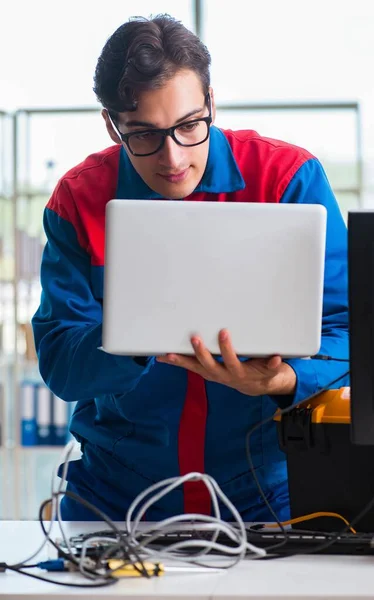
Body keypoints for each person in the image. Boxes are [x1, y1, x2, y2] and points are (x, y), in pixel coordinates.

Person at [32, 14, 349, 521]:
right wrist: (133, 339)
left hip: (267, 493)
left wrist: (283, 379)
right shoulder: (77, 199)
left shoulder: (287, 178)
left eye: (188, 126)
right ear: (112, 124)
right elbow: (60, 362)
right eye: (144, 135)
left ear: (211, 104)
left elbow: (348, 330)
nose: (173, 157)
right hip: (115, 496)